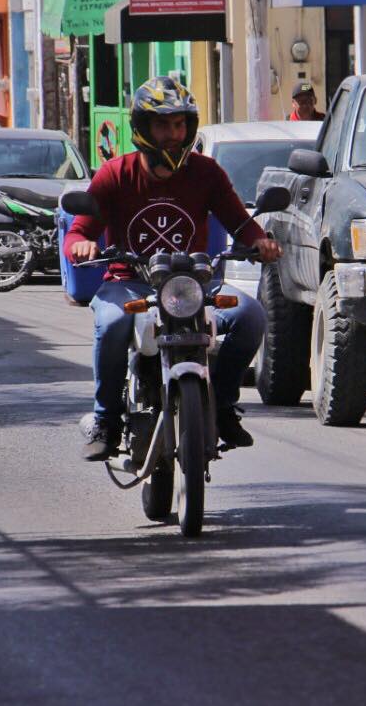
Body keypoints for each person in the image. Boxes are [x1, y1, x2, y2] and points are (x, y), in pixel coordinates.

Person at [65, 77, 282, 461]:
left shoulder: (206, 173)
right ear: (143, 127)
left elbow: (239, 222)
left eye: (180, 124)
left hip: (192, 283)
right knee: (113, 324)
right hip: (128, 283)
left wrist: (260, 239)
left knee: (250, 317)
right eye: (163, 125)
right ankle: (106, 420)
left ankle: (224, 407)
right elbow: (80, 230)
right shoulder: (116, 174)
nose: (173, 134)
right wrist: (81, 245)